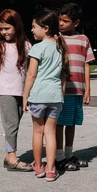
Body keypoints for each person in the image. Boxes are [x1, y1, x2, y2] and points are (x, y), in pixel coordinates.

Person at [22, 9, 69, 182]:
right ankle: (51, 169)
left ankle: (38, 166)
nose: (32, 30)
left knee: (37, 132)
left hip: (39, 95)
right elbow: (63, 75)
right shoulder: (60, 47)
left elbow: (31, 75)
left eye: (34, 27)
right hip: (55, 96)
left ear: (46, 28)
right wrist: (60, 95)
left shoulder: (37, 48)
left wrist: (25, 96)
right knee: (50, 133)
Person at [0, 9, 33, 172]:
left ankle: (8, 156)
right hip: (7, 91)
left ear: (16, 26)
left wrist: (28, 93)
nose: (4, 32)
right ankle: (12, 157)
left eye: (7, 28)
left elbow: (30, 72)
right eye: (1, 29)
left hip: (21, 92)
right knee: (11, 125)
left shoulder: (27, 45)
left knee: (14, 125)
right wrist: (3, 87)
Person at [56, 3, 95, 171]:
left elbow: (87, 64)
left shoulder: (83, 40)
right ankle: (58, 157)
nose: (61, 24)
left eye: (65, 21)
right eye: (60, 20)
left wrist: (87, 88)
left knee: (71, 122)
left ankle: (69, 153)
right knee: (59, 123)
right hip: (61, 89)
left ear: (76, 23)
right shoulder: (57, 39)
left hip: (77, 89)